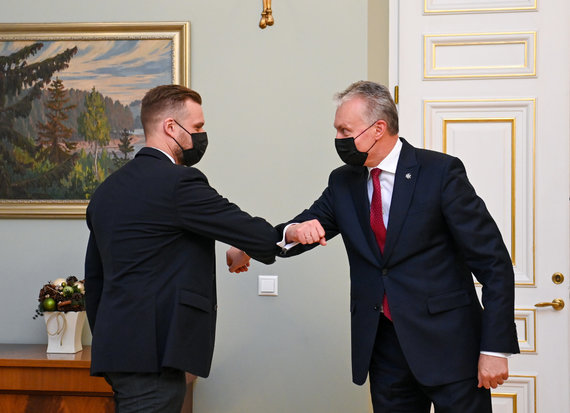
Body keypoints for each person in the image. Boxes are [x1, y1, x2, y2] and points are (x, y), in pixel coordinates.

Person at [254, 81, 519, 412]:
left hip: (451, 346)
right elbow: (304, 226)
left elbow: (493, 263)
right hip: (385, 349)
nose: (338, 139)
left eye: (344, 130)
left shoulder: (440, 173)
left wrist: (495, 348)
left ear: (378, 128)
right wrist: (277, 236)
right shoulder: (343, 181)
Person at [84, 84, 279, 412]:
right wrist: (290, 232)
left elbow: (96, 281)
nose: (202, 135)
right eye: (198, 127)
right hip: (154, 355)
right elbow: (259, 236)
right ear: (171, 127)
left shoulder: (106, 191)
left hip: (119, 353)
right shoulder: (179, 183)